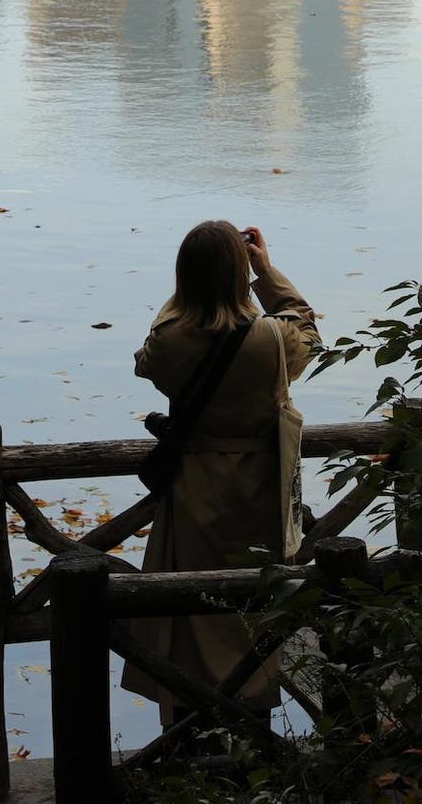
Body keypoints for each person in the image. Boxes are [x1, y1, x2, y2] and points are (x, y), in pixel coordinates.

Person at [121, 221, 320, 725]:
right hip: (262, 488)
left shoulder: (172, 338)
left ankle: (187, 735)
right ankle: (256, 734)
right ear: (239, 274)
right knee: (252, 607)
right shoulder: (273, 339)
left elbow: (147, 361)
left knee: (192, 607)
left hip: (195, 485)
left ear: (183, 276)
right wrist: (266, 271)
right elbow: (307, 328)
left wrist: (183, 300)